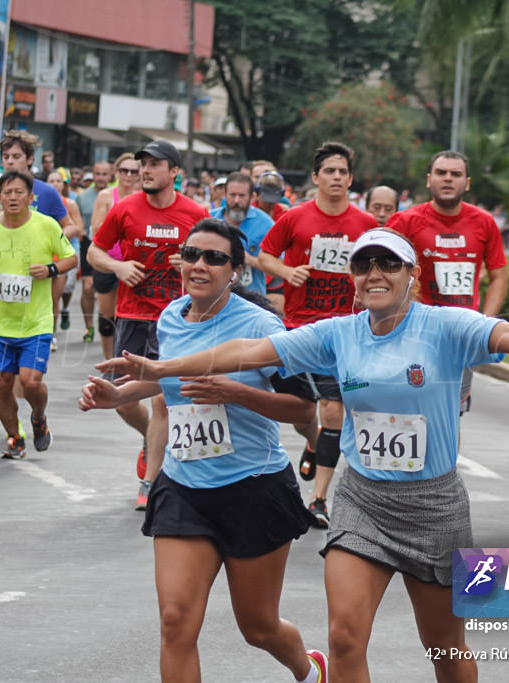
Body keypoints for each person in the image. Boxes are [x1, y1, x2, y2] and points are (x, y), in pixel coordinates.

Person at [111, 227, 509, 682]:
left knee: (444, 647)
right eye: (363, 265)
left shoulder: (446, 326)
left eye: (388, 264)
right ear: (354, 280)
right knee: (345, 635)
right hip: (362, 501)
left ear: (412, 276)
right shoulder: (338, 333)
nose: (374, 274)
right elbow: (247, 350)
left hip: (434, 505)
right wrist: (161, 369)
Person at [79, 219, 327, 683]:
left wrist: (236, 393)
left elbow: (302, 405)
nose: (199, 265)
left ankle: (309, 669)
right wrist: (121, 395)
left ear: (234, 270)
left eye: (214, 258)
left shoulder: (260, 325)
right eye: (192, 254)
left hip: (252, 487)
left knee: (258, 626)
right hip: (184, 485)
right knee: (176, 623)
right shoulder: (172, 316)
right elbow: (164, 376)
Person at [258, 141, 377, 527]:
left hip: (344, 330)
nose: (337, 177)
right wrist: (286, 273)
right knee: (301, 410)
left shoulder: (365, 225)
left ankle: (319, 499)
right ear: (315, 178)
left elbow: (380, 270)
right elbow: (265, 254)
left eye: (343, 172)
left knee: (334, 410)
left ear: (351, 179)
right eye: (330, 171)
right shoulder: (295, 218)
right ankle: (312, 441)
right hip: (298, 326)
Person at [87, 140, 209, 509]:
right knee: (124, 401)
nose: (145, 169)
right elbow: (94, 250)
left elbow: (216, 261)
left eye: (155, 164)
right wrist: (117, 266)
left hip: (178, 317)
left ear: (174, 172)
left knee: (162, 400)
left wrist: (190, 263)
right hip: (134, 314)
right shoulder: (125, 209)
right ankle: (150, 438)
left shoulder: (194, 212)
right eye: (143, 163)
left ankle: (149, 482)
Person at [0, 170, 77, 458]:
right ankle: (14, 435)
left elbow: (71, 258)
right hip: (1, 322)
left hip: (36, 321)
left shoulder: (46, 225)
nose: (13, 197)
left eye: (19, 192)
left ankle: (38, 417)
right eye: (7, 192)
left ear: (31, 198)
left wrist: (51, 270)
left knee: (30, 382)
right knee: (2, 383)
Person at [388, 150, 508, 414]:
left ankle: (443, 457)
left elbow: (499, 275)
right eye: (441, 173)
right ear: (429, 180)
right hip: (414, 330)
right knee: (406, 408)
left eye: (456, 174)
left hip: (462, 333)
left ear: (467, 183)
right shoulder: (405, 221)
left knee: (451, 412)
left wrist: (484, 324)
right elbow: (383, 272)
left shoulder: (484, 223)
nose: (448, 179)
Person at [89, 153, 140, 359]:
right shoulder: (106, 196)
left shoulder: (142, 197)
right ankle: (109, 361)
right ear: (116, 173)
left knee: (126, 316)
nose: (128, 175)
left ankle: (122, 360)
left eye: (133, 171)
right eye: (124, 170)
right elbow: (96, 229)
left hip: (133, 262)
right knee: (107, 316)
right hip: (108, 261)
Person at [211, 172, 273, 295]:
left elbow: (279, 267)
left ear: (252, 197)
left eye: (242, 196)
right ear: (225, 195)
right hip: (214, 298)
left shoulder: (266, 223)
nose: (236, 201)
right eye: (232, 195)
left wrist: (252, 260)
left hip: (252, 301)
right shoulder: (209, 219)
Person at [76, 161, 112, 342]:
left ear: (110, 176)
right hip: (89, 244)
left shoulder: (115, 195)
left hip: (111, 247)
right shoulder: (82, 197)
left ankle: (107, 323)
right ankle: (88, 326)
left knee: (107, 291)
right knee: (88, 288)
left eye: (104, 174)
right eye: (97, 174)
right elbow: (78, 222)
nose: (100, 178)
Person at [48, 170, 85, 339]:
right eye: (51, 181)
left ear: (63, 184)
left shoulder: (69, 203)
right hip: (43, 254)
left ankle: (51, 335)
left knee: (55, 298)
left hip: (64, 254)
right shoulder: (39, 203)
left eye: (58, 181)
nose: (55, 184)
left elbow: (78, 229)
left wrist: (58, 236)